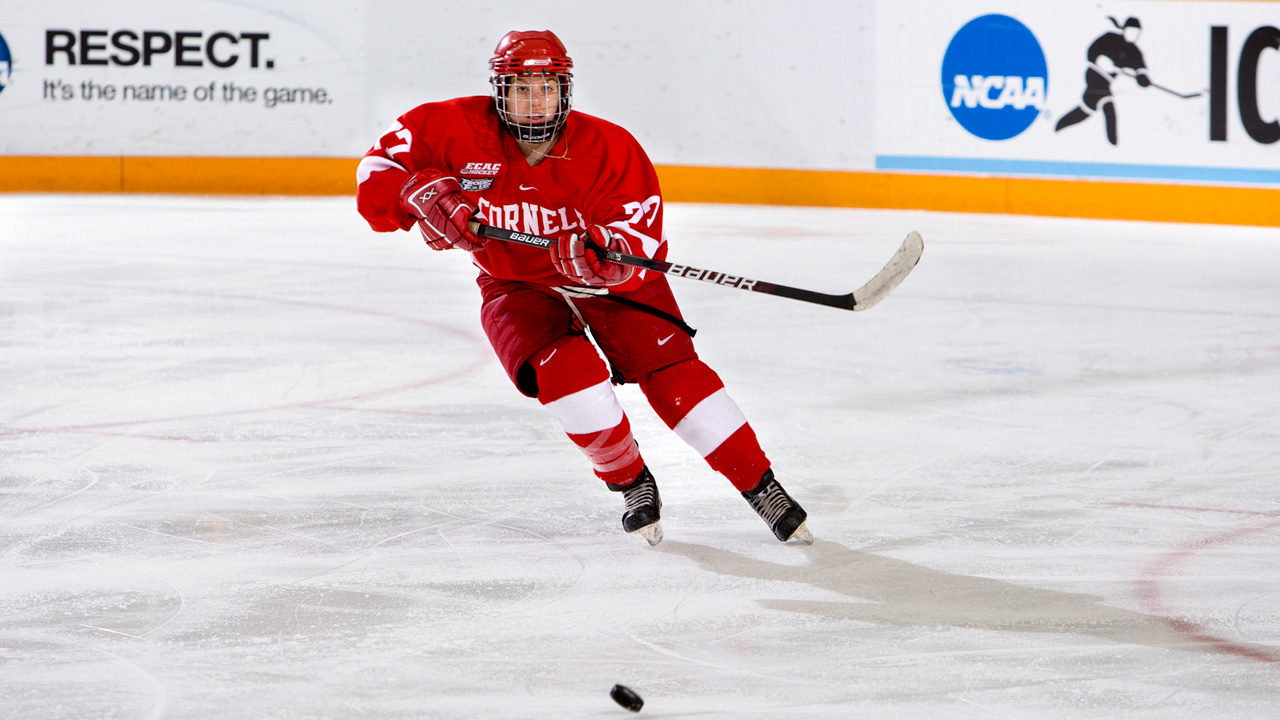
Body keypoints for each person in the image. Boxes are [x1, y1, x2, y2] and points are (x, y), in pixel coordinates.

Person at [355, 30, 810, 546]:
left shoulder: (610, 147)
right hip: (515, 281)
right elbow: (377, 170)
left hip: (613, 284)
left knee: (671, 371)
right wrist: (415, 194)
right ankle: (632, 482)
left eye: (547, 88)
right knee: (566, 374)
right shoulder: (448, 126)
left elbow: (641, 237)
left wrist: (608, 256)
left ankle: (762, 487)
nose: (535, 101)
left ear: (565, 90)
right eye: (521, 88)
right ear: (498, 90)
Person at [1055, 16, 1152, 145]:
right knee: (1108, 108)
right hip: (1095, 76)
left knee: (1086, 111)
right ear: (1124, 29)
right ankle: (1113, 143)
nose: (1133, 35)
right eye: (1131, 30)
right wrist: (1100, 60)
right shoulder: (1110, 38)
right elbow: (1092, 51)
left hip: (1107, 82)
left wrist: (1142, 77)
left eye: (1136, 32)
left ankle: (1059, 126)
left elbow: (1140, 68)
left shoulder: (1134, 51)